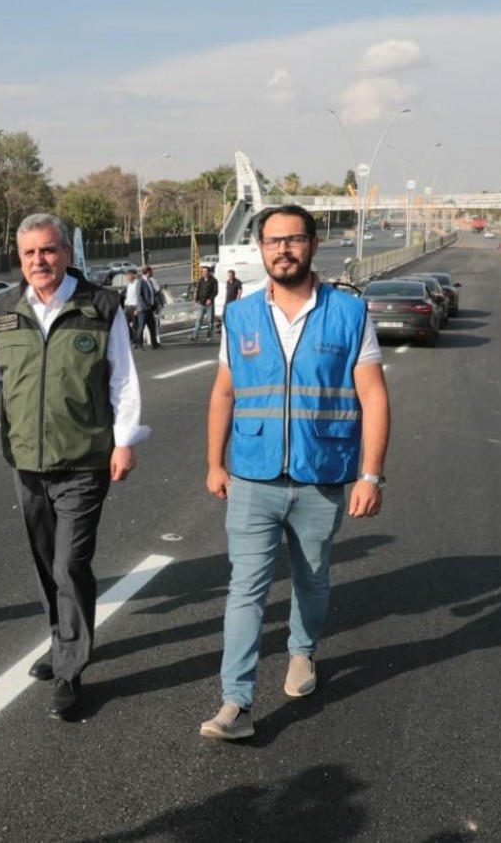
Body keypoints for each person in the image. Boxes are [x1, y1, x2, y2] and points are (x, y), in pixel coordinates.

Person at [199, 204, 391, 742]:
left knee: (312, 578)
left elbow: (373, 396)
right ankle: (235, 702)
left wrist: (370, 475)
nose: (282, 249)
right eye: (272, 241)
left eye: (294, 239)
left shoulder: (349, 314)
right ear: (260, 249)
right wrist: (215, 462)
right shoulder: (238, 316)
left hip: (322, 475)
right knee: (245, 588)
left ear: (313, 244)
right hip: (253, 477)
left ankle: (302, 653)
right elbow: (225, 391)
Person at [0, 213, 149, 720]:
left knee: (70, 563)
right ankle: (62, 637)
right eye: (29, 254)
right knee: (45, 561)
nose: (38, 261)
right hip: (25, 459)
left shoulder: (100, 304)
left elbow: (122, 381)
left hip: (85, 458)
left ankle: (70, 669)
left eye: (47, 251)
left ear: (65, 252)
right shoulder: (3, 309)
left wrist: (124, 441)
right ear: (19, 259)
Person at [192, 265, 219, 341]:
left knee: (210, 320)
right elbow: (198, 290)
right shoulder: (201, 280)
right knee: (198, 320)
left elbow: (215, 291)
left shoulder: (213, 281)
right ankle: (195, 335)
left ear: (209, 272)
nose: (204, 273)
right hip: (201, 303)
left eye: (205, 271)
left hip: (209, 304)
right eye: (203, 271)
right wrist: (196, 300)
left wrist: (210, 299)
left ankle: (209, 335)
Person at [141, 266, 163, 349]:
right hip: (146, 307)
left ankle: (153, 341)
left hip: (152, 306)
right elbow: (157, 291)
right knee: (142, 326)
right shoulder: (146, 281)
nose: (152, 273)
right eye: (151, 272)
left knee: (152, 325)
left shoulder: (150, 280)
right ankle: (140, 343)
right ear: (148, 272)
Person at [122, 268, 143, 348]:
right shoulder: (129, 285)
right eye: (126, 276)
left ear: (134, 275)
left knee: (135, 326)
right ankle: (131, 339)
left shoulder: (138, 284)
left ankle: (137, 342)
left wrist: (138, 309)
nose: (126, 277)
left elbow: (140, 298)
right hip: (127, 307)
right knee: (125, 324)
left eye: (128, 275)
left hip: (135, 308)